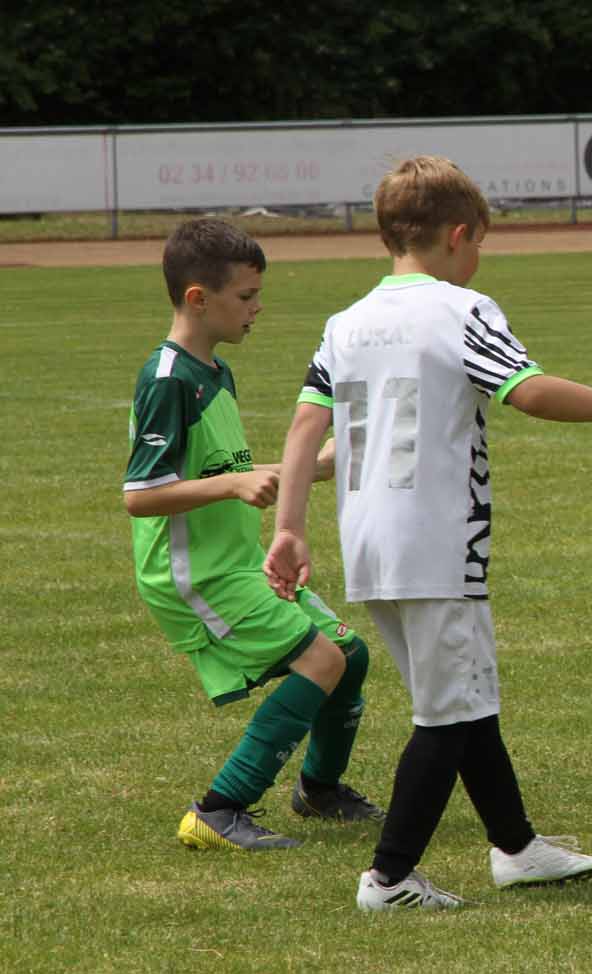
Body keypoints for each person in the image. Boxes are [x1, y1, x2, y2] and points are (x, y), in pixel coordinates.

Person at [264, 155, 592, 911]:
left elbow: (304, 430)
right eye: (479, 241)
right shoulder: (462, 309)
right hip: (437, 544)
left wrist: (288, 528)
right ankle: (388, 880)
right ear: (457, 235)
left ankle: (517, 849)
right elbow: (531, 392)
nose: (479, 258)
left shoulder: (346, 322)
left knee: (465, 698)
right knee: (445, 717)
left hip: (370, 545)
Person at [124, 218, 384, 853]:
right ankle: (220, 808)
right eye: (245, 297)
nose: (257, 307)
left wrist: (310, 468)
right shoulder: (168, 380)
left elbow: (227, 471)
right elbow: (141, 495)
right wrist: (234, 488)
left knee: (349, 656)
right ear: (198, 298)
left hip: (236, 560)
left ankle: (319, 790)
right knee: (320, 659)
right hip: (194, 573)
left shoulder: (213, 372)